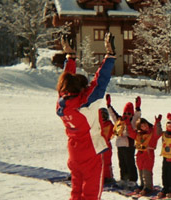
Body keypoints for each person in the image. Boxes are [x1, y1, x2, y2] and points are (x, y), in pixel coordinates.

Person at [55, 32, 116, 200]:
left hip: (74, 153)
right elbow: (100, 81)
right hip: (91, 152)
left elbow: (66, 82)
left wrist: (70, 57)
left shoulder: (62, 103)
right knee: (91, 193)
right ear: (82, 89)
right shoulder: (86, 104)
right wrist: (110, 56)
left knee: (76, 191)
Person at [106, 94, 139, 190]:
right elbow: (113, 114)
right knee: (122, 162)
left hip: (129, 145)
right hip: (120, 145)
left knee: (130, 162)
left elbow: (137, 115)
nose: (126, 116)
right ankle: (123, 178)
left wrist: (137, 107)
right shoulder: (119, 120)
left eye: (129, 114)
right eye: (125, 113)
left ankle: (132, 179)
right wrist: (109, 105)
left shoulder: (133, 121)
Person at [131, 109, 163, 196]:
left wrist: (158, 123)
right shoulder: (138, 134)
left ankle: (148, 187)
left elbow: (158, 133)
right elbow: (130, 132)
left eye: (145, 124)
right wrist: (126, 122)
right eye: (142, 126)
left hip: (148, 153)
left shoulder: (152, 132)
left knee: (146, 170)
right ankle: (142, 185)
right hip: (140, 154)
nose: (144, 127)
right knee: (140, 170)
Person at [99, 107, 116, 185]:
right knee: (98, 162)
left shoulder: (109, 124)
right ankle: (99, 176)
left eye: (104, 115)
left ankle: (108, 176)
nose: (102, 117)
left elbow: (114, 132)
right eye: (101, 115)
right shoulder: (96, 124)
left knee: (107, 162)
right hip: (98, 145)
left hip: (106, 145)